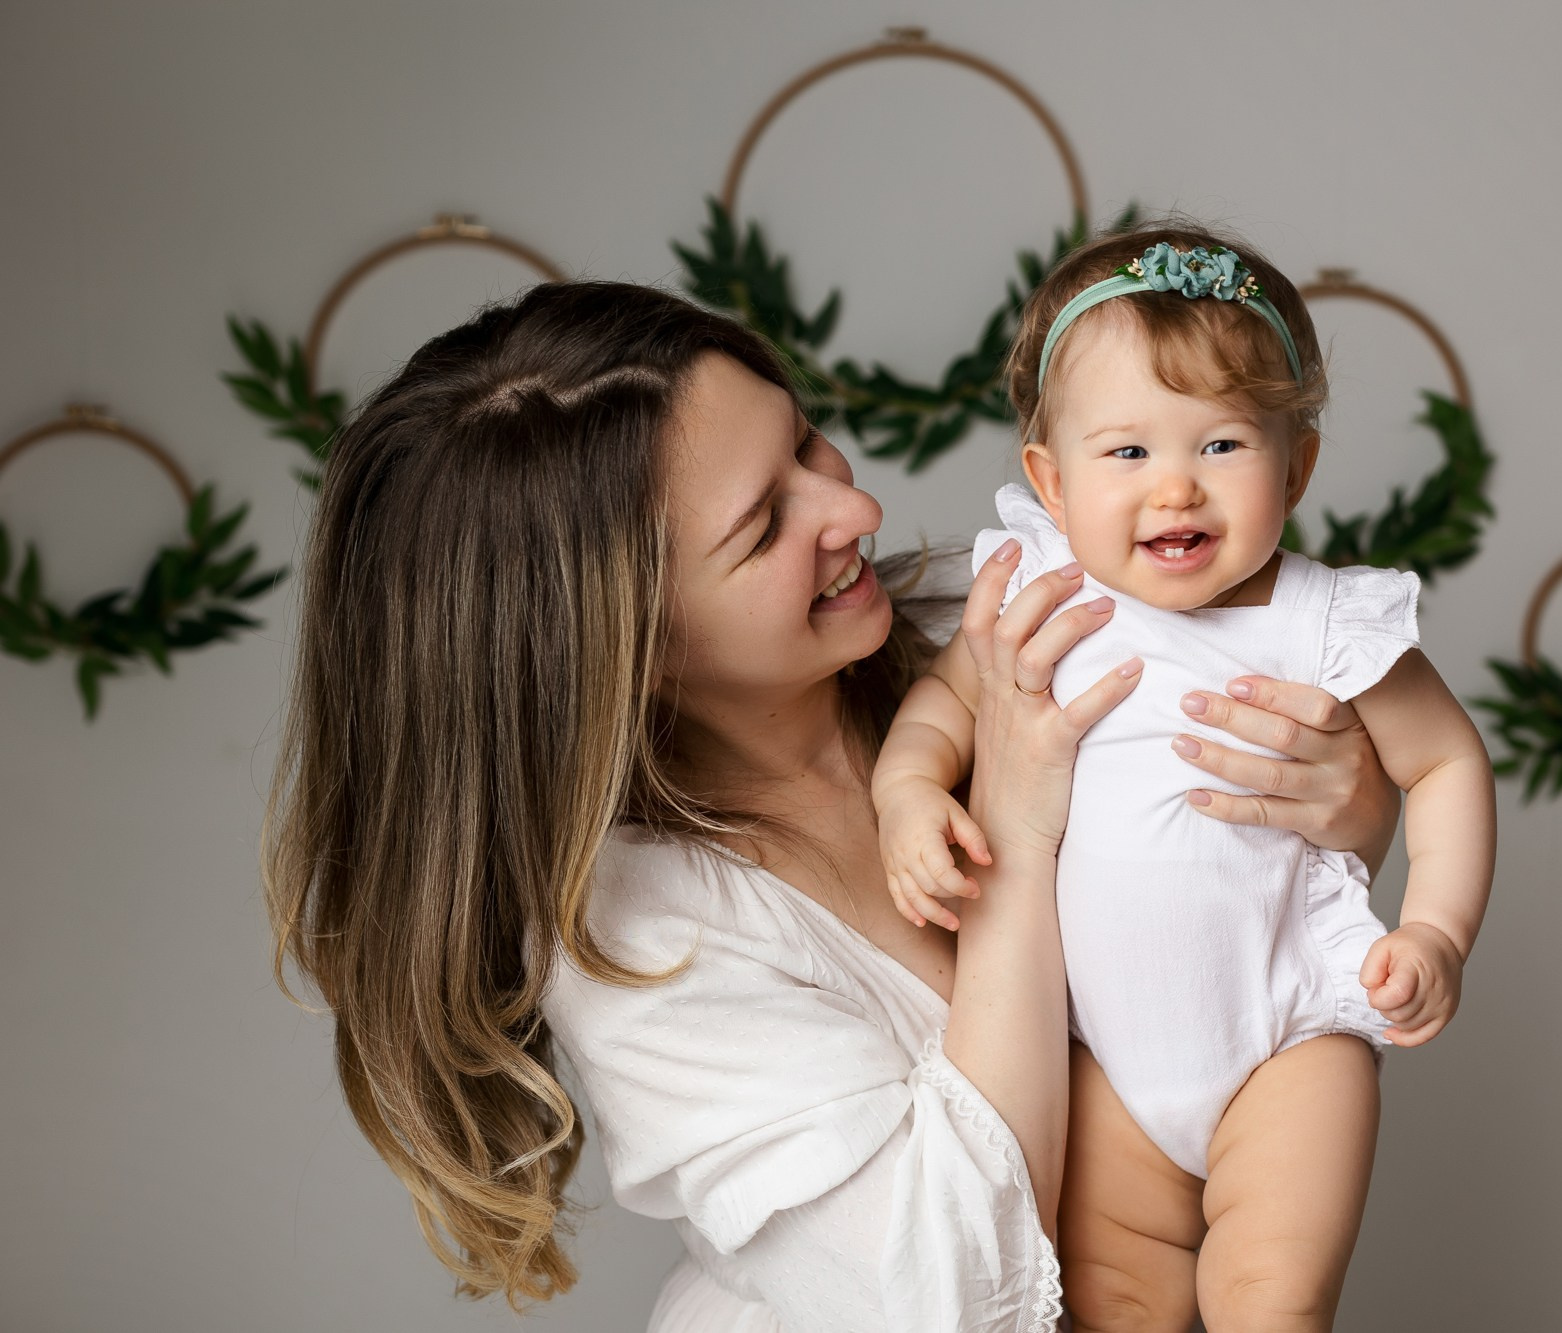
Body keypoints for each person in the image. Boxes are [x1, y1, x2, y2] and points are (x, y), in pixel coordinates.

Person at [261, 279, 1405, 1331]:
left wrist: (1347, 806)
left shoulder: (1006, 615)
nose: (849, 507)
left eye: (805, 439)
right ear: (626, 648)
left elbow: (1249, 916)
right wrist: (1013, 819)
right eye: (763, 525)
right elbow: (955, 1296)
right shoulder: (638, 937)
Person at [873, 226, 1497, 1331]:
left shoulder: (1321, 621)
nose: (1175, 490)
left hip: (1287, 1039)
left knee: (1268, 1298)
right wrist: (908, 791)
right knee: (1113, 1308)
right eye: (1125, 455)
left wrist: (1436, 929)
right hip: (1104, 1063)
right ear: (1050, 482)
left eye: (1219, 446)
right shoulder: (1039, 604)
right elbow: (941, 708)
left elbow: (1443, 761)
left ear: (1294, 466)